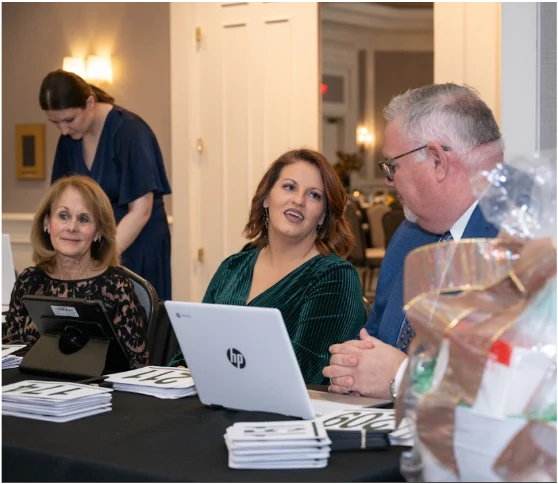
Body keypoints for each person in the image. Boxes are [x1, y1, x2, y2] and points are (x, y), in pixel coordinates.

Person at [323, 83, 503, 400]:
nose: (387, 181)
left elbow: (511, 389)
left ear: (437, 160)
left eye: (392, 166)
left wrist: (401, 377)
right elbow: (377, 337)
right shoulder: (409, 235)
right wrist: (354, 366)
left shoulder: (521, 243)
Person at [169, 148, 366, 384]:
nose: (298, 200)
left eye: (314, 195)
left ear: (323, 215)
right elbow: (189, 354)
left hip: (288, 417)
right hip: (211, 404)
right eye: (289, 187)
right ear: (266, 198)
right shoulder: (232, 267)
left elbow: (307, 373)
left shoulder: (334, 277)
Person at [39, 69, 172, 301]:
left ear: (90, 102)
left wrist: (100, 259)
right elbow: (59, 199)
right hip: (93, 248)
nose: (63, 130)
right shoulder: (68, 138)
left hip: (137, 244)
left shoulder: (131, 132)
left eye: (69, 120)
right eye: (55, 123)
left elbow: (141, 211)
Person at [1, 175, 149, 367]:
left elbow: (138, 366)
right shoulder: (28, 281)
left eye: (84, 219)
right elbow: (8, 356)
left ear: (98, 232)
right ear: (47, 223)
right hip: (34, 393)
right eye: (63, 216)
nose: (72, 227)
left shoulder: (116, 286)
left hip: (101, 394)